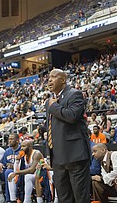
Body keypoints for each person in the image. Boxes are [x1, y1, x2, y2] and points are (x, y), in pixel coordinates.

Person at [46, 68, 91, 203]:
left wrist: (53, 107)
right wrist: (50, 153)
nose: (49, 80)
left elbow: (72, 116)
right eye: (49, 77)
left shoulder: (75, 94)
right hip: (58, 158)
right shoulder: (51, 100)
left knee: (80, 198)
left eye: (53, 77)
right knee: (64, 198)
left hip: (74, 155)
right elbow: (50, 128)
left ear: (63, 79)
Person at [0, 133, 21, 203]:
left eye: (12, 139)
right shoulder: (7, 151)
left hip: (18, 173)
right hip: (8, 172)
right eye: (9, 139)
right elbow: (3, 163)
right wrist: (0, 164)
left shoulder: (22, 150)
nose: (9, 141)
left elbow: (25, 165)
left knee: (8, 171)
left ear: (17, 140)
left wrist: (14, 166)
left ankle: (9, 199)